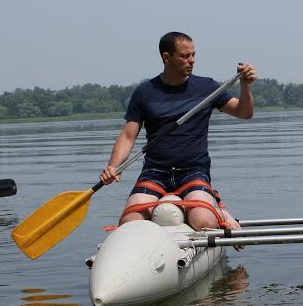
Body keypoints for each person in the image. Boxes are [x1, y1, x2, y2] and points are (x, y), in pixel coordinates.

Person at [99, 31, 258, 229]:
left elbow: (244, 112)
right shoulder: (144, 92)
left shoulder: (207, 87)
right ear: (167, 57)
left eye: (193, 55)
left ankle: (219, 210)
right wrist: (113, 166)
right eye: (185, 56)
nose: (191, 60)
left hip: (193, 171)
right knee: (129, 222)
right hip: (154, 173)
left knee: (203, 222)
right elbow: (128, 136)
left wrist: (245, 86)